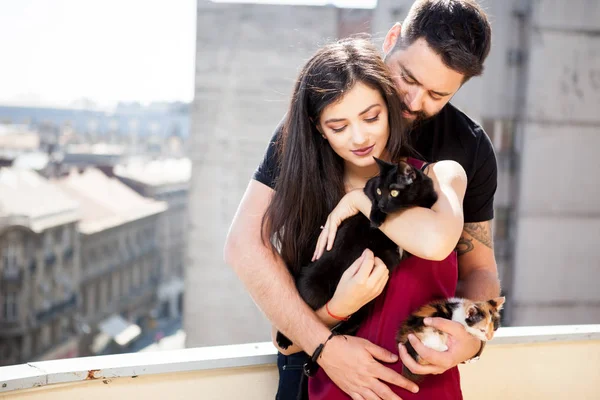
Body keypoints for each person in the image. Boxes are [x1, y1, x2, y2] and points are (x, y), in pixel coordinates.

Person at [224, 1, 501, 399]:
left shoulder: (465, 150)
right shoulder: (320, 120)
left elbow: (480, 268)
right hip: (318, 372)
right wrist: (326, 346)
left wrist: (473, 336)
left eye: (437, 94)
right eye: (406, 76)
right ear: (391, 40)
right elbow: (245, 244)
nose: (413, 100)